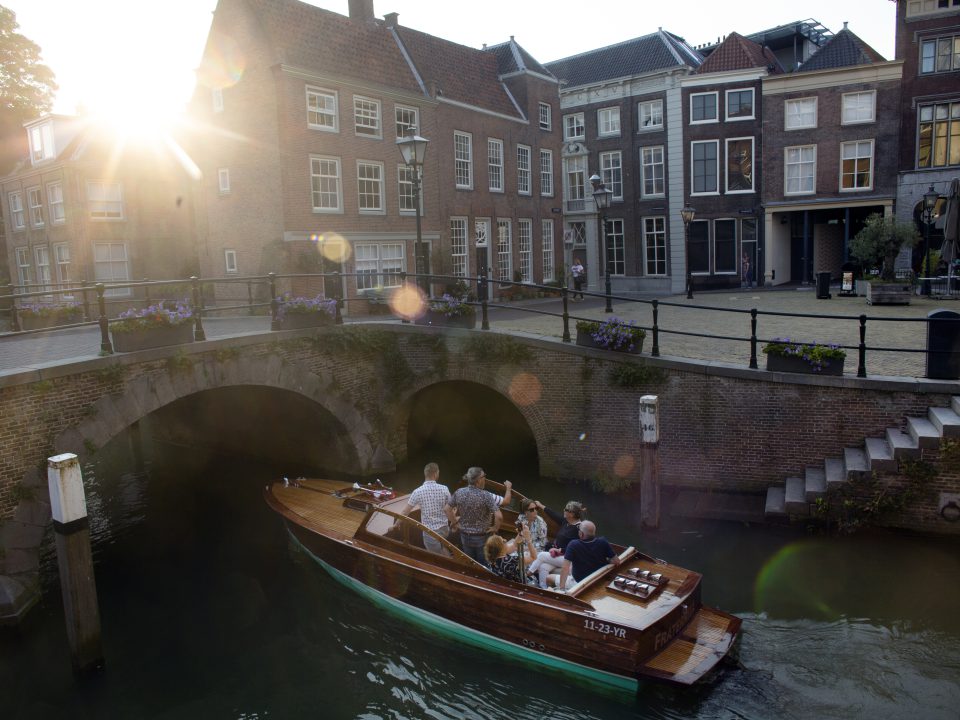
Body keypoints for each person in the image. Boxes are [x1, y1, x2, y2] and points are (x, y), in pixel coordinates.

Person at [445, 467, 502, 565]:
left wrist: (455, 522)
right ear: (478, 480)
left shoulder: (459, 492)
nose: (485, 479)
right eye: (484, 476)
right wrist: (495, 528)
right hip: (482, 537)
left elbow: (447, 509)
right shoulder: (486, 496)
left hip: (465, 536)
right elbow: (499, 516)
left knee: (469, 562)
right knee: (483, 564)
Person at [525, 500, 584, 588]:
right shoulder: (566, 522)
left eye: (566, 509)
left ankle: (527, 574)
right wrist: (541, 505)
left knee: (541, 555)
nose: (563, 510)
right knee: (544, 566)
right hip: (558, 555)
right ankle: (543, 588)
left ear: (571, 514)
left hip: (568, 558)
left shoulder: (579, 528)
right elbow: (553, 515)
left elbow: (578, 548)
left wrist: (560, 550)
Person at [400, 462, 450, 555]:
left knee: (438, 556)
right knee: (441, 548)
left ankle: (449, 566)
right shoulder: (444, 489)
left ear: (425, 474)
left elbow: (405, 512)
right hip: (444, 530)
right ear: (435, 474)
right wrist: (454, 522)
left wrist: (395, 525)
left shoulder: (417, 492)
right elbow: (449, 508)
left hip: (430, 533)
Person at [555, 520, 621, 591]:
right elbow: (617, 561)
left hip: (580, 584)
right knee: (552, 567)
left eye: (579, 530)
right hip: (598, 580)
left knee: (549, 578)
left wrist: (561, 589)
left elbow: (565, 567)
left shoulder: (573, 544)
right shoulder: (603, 542)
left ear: (581, 534)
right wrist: (607, 561)